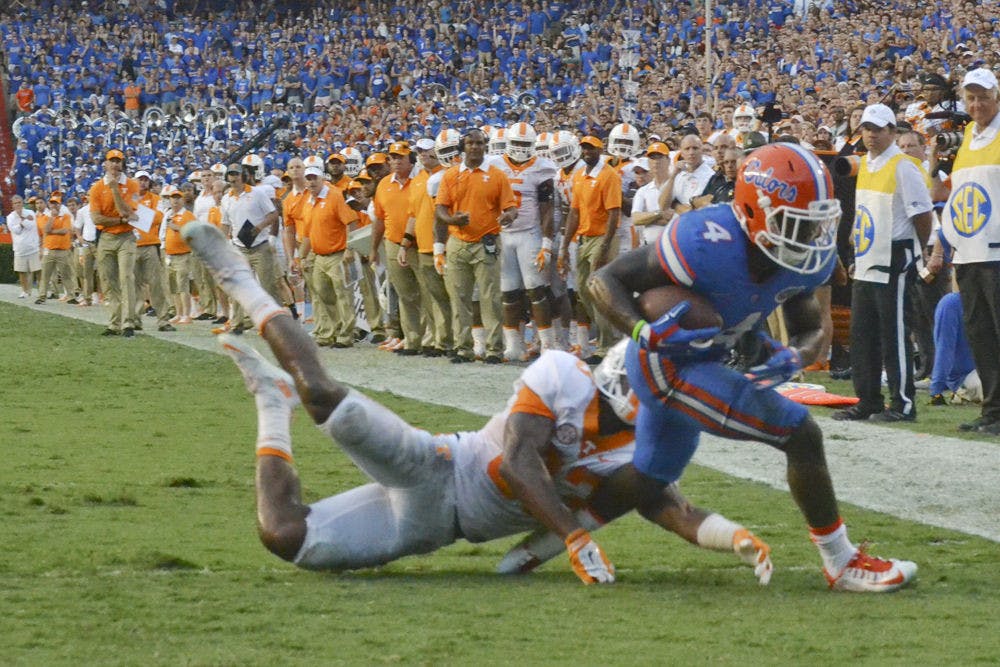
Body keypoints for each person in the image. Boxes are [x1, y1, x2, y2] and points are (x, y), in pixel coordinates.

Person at [180, 218, 773, 584]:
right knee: (324, 395)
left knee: (285, 537)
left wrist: (739, 539)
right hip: (438, 463)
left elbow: (672, 507)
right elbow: (517, 464)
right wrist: (572, 535)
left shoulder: (644, 449)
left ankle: (269, 403)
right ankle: (242, 282)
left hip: (432, 527)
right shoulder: (564, 373)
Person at [587, 143, 917, 592]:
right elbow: (603, 280)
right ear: (753, 209)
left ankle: (552, 534)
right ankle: (842, 562)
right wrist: (643, 331)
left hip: (708, 355)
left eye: (818, 223)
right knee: (799, 431)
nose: (812, 237)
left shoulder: (805, 255)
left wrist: (794, 355)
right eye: (796, 222)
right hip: (668, 362)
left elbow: (809, 329)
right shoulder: (703, 240)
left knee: (650, 475)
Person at [832, 104, 933, 422]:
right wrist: (854, 254)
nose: (871, 135)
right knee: (863, 334)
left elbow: (922, 213)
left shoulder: (903, 166)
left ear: (892, 131)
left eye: (877, 129)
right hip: (867, 256)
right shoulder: (866, 164)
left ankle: (903, 403)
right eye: (867, 129)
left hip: (894, 256)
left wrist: (920, 250)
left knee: (894, 333)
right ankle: (868, 399)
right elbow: (862, 216)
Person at [928, 69, 1000, 435]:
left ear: (996, 96)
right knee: (981, 335)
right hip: (970, 252)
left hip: (997, 252)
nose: (976, 104)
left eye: (983, 96)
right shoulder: (969, 135)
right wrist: (947, 241)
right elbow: (956, 196)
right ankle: (992, 413)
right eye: (970, 98)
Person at [435, 128, 518, 364]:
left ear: (486, 146)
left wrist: (509, 216)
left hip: (486, 241)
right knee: (459, 297)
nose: (474, 147)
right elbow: (440, 208)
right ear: (463, 146)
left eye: (479, 143)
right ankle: (463, 347)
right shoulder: (451, 176)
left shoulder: (497, 175)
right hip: (458, 241)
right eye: (470, 143)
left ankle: (494, 348)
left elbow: (511, 207)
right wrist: (452, 220)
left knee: (490, 296)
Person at [558, 135, 621, 364]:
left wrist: (605, 246)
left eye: (591, 149)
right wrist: (565, 245)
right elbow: (574, 212)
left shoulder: (608, 175)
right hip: (583, 237)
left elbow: (614, 212)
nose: (587, 152)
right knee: (584, 292)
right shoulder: (579, 177)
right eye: (584, 148)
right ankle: (609, 334)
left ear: (599, 150)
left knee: (598, 289)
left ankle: (606, 346)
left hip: (602, 236)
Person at [88, 148, 141, 337]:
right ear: (106, 163)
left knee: (126, 278)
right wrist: (119, 220)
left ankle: (128, 322)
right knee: (108, 281)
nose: (115, 164)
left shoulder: (132, 185)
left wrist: (114, 190)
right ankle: (114, 322)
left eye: (119, 161)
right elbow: (96, 219)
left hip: (126, 236)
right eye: (112, 161)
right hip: (107, 236)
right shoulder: (95, 188)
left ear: (122, 164)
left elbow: (129, 212)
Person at [7, 194, 40, 299]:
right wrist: (23, 221)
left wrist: (22, 220)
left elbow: (31, 226)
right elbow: (16, 230)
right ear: (12, 205)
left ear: (23, 203)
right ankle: (25, 291)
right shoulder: (10, 217)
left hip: (33, 247)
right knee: (22, 271)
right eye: (15, 203)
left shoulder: (30, 213)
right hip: (19, 249)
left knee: (38, 270)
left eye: (19, 202)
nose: (18, 205)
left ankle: (41, 291)